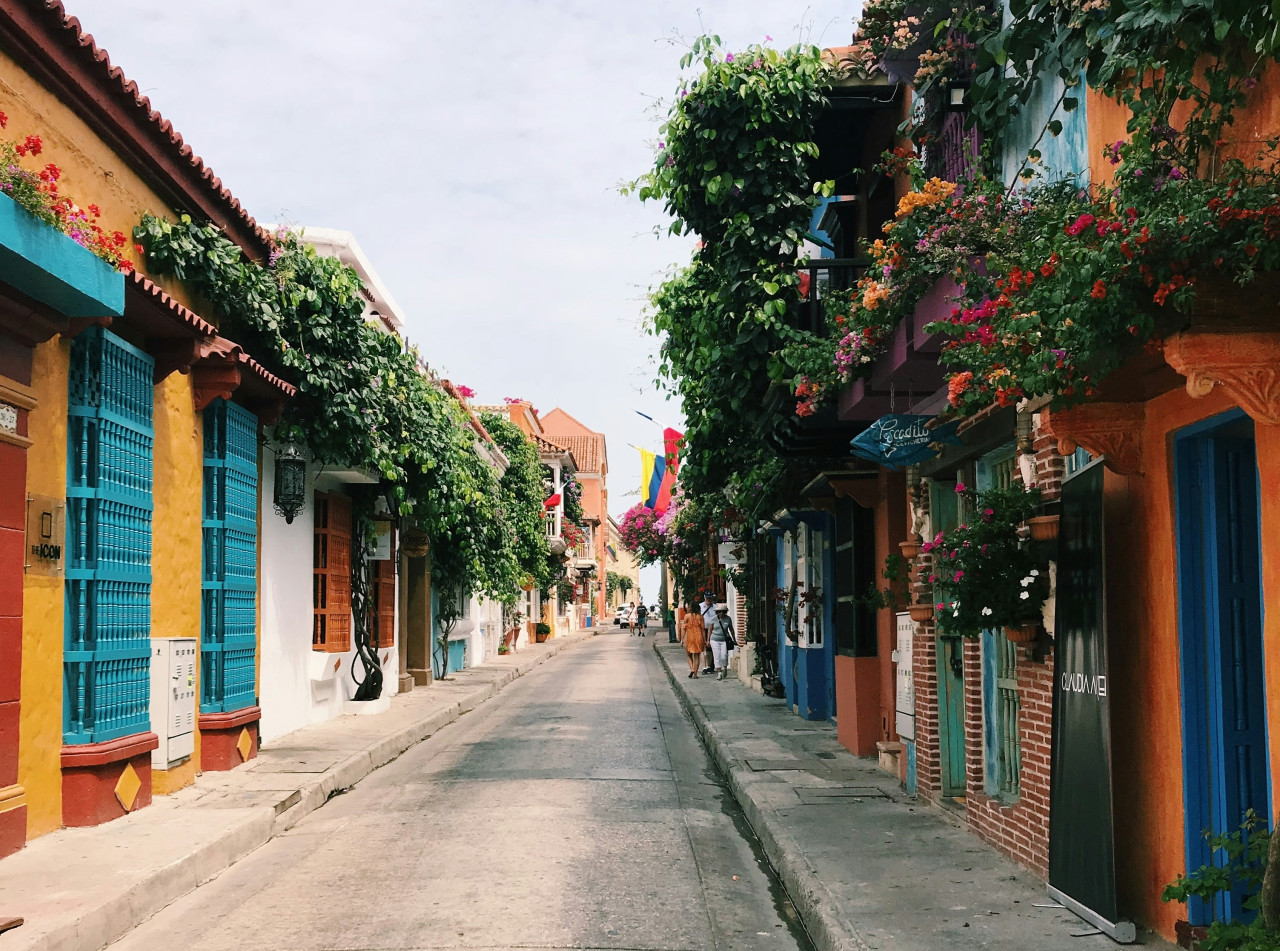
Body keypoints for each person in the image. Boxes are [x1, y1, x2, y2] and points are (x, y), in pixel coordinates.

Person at [679, 600, 706, 678]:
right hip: (699, 637)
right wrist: (704, 640)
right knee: (697, 656)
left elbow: (684, 629)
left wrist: (682, 639)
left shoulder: (687, 616)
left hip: (690, 637)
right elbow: (703, 629)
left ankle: (692, 669)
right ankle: (695, 674)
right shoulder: (700, 617)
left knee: (688, 655)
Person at [708, 604, 735, 680]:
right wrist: (708, 640)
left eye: (723, 612)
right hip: (714, 639)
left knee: (724, 656)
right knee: (717, 657)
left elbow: (731, 629)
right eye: (719, 612)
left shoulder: (728, 619)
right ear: (717, 612)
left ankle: (725, 667)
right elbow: (710, 629)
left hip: (724, 640)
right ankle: (719, 673)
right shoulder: (714, 619)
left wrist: (734, 639)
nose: (721, 613)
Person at [700, 591, 718, 674]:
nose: (708, 599)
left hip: (713, 629)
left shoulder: (715, 607)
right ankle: (705, 666)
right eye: (707, 598)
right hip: (703, 629)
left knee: (711, 647)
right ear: (704, 597)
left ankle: (711, 666)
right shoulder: (700, 606)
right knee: (704, 648)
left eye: (710, 598)